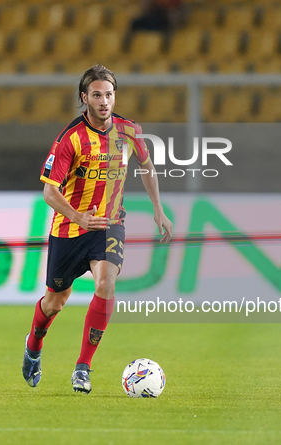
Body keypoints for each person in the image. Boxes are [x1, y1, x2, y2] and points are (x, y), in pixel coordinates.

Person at [22, 64, 173, 394]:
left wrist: (158, 210)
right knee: (54, 302)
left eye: (109, 94)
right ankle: (34, 343)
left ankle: (83, 367)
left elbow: (147, 168)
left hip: (109, 224)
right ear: (84, 98)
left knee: (106, 284)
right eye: (96, 95)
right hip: (70, 228)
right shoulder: (69, 139)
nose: (104, 101)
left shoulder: (130, 131)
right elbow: (49, 191)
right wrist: (78, 216)